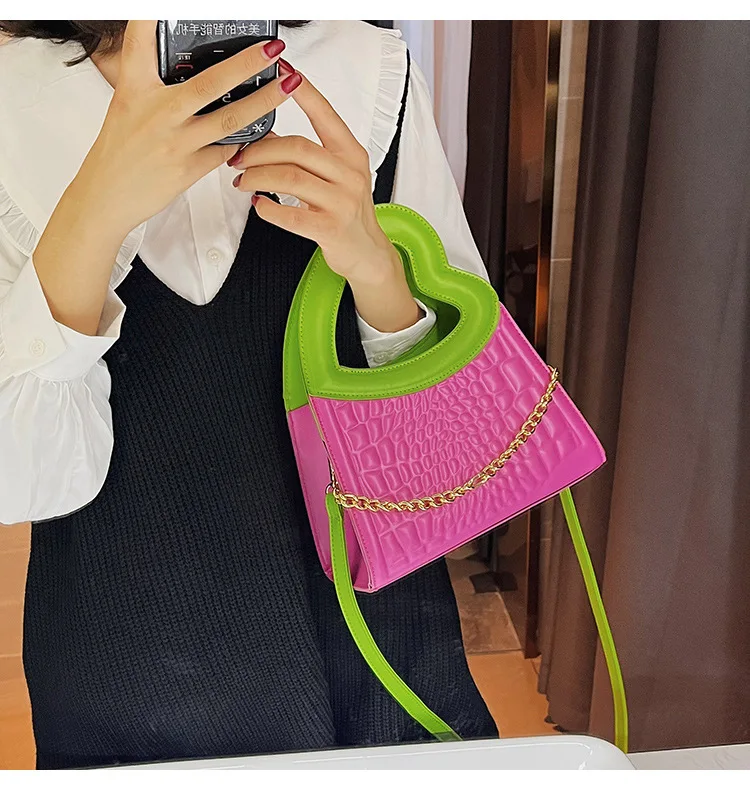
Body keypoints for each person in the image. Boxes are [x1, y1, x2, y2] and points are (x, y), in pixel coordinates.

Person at [0, 20, 497, 769]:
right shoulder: (15, 106)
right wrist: (93, 207)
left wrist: (374, 266)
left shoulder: (368, 68)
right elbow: (24, 481)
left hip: (376, 634)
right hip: (125, 653)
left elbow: (458, 435)